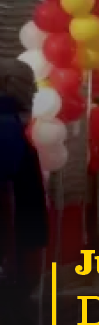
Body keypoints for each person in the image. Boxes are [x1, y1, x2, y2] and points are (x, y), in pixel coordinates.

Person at [0, 65, 48, 289]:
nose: (33, 93)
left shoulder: (15, 122)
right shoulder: (12, 125)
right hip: (14, 236)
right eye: (30, 87)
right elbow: (23, 191)